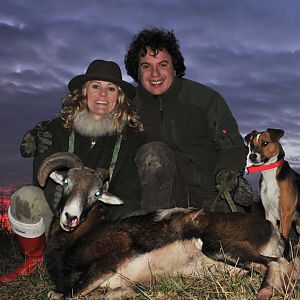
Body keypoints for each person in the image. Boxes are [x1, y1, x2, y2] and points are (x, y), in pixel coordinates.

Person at [0, 59, 145, 283]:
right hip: (58, 217)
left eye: (111, 89)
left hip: (98, 226)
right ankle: (34, 259)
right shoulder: (57, 129)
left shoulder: (129, 139)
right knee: (24, 198)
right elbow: (42, 175)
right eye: (95, 86)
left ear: (120, 97)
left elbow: (129, 190)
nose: (102, 95)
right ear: (84, 92)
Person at [124, 27, 256, 211]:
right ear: (137, 70)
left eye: (163, 65)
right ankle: (154, 231)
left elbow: (232, 147)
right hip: (156, 198)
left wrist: (226, 175)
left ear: (174, 67)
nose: (155, 74)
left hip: (208, 193)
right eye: (146, 66)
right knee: (152, 153)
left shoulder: (205, 99)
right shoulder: (128, 106)